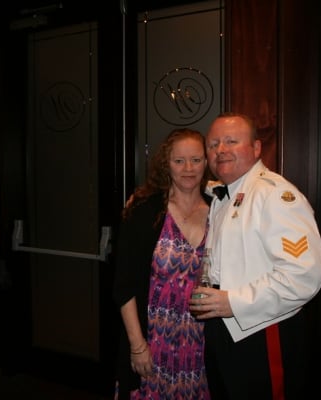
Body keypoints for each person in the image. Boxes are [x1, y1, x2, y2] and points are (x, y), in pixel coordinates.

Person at [190, 112, 321, 399]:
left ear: (256, 148)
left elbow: (303, 275)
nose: (221, 149)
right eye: (213, 144)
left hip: (263, 331)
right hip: (221, 329)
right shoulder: (223, 193)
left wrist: (233, 302)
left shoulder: (275, 195)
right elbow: (191, 184)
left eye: (231, 141)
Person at [113, 128, 212, 400]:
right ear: (166, 164)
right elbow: (123, 286)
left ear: (206, 162)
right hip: (152, 341)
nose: (188, 168)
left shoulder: (220, 211)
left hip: (200, 344)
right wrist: (137, 345)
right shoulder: (144, 211)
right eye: (179, 161)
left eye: (196, 160)